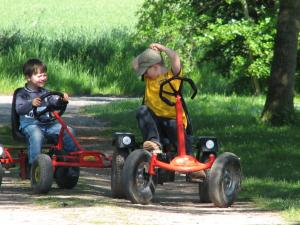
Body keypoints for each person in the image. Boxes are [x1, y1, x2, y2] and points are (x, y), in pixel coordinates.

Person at [132, 43, 205, 181]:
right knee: (142, 110)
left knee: (174, 126)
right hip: (154, 120)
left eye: (145, 71)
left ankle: (192, 165)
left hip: (172, 119)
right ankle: (154, 144)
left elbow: (175, 58)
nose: (144, 74)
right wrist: (148, 51)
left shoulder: (172, 75)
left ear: (155, 67)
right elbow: (135, 64)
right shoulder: (149, 77)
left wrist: (163, 49)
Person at [15, 58, 77, 176]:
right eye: (39, 76)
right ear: (28, 77)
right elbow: (19, 109)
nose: (43, 78)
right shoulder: (22, 93)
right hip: (30, 124)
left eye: (44, 75)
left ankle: (71, 164)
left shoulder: (46, 92)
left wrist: (62, 100)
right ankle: (34, 167)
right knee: (36, 135)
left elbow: (54, 103)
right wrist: (30, 104)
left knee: (69, 131)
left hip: (48, 124)